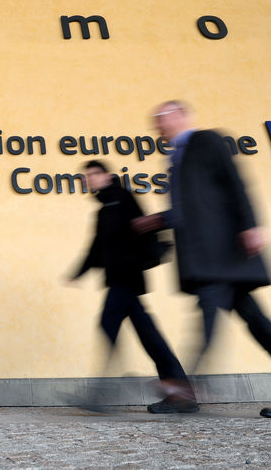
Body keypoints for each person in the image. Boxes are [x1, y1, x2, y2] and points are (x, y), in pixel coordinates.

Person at [132, 100, 271, 418]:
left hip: (222, 253)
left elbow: (236, 183)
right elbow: (192, 208)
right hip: (209, 258)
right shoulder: (173, 158)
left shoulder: (205, 140)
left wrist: (251, 225)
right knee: (261, 326)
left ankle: (185, 388)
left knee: (209, 316)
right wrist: (156, 221)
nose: (157, 124)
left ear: (181, 116)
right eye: (154, 120)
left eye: (162, 117)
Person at [69, 160, 198, 414]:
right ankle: (180, 392)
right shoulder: (104, 207)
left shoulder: (122, 198)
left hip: (127, 277)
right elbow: (97, 246)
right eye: (86, 176)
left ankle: (104, 393)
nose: (89, 179)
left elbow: (142, 228)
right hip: (120, 278)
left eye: (94, 174)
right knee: (149, 335)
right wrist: (79, 272)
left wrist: (136, 260)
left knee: (109, 324)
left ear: (107, 176)